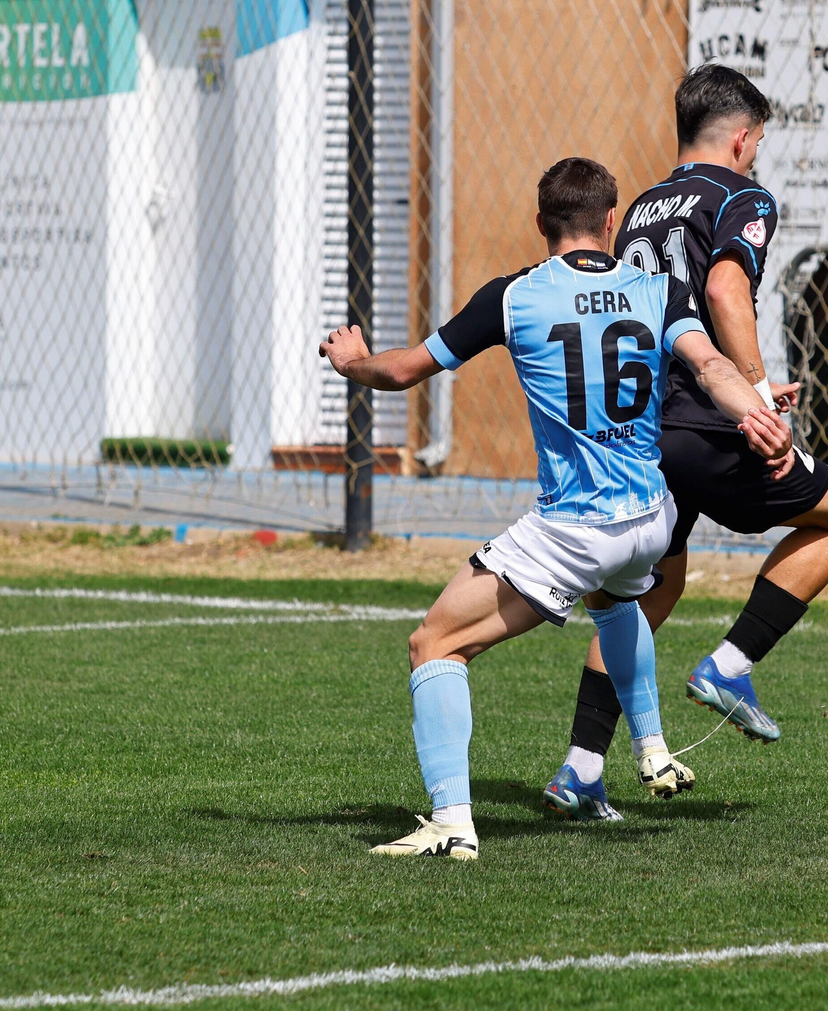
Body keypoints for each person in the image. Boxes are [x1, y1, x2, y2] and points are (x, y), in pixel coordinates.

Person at [319, 157, 795, 860]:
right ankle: (654, 750)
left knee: (435, 645)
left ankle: (451, 825)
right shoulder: (658, 290)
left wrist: (352, 361)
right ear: (612, 222)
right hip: (651, 521)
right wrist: (757, 413)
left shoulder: (513, 298)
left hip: (576, 528)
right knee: (615, 601)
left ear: (541, 225)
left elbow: (400, 372)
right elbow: (714, 368)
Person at [542, 64, 828, 822]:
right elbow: (724, 289)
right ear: (743, 139)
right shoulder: (741, 195)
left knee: (647, 595)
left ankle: (581, 768)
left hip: (647, 426)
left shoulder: (645, 207)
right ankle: (732, 663)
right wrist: (754, 396)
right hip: (706, 421)